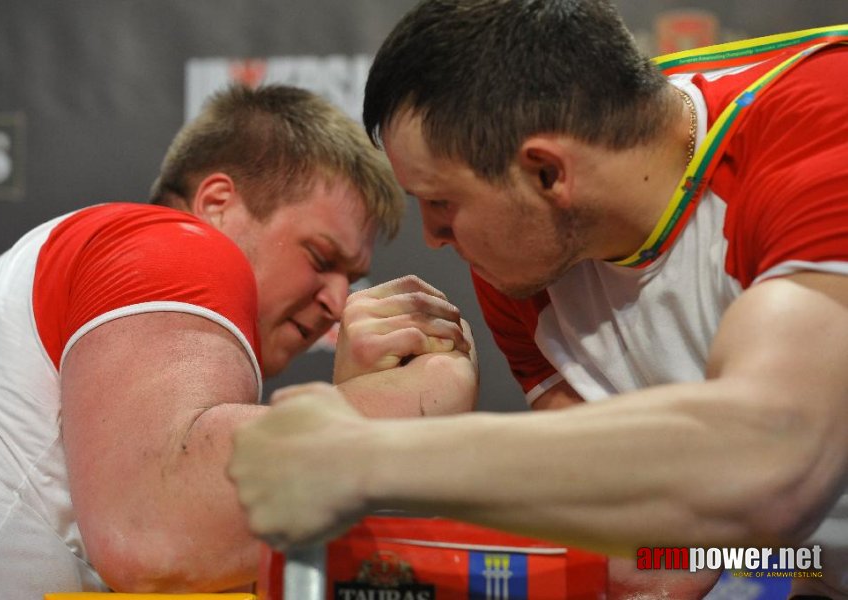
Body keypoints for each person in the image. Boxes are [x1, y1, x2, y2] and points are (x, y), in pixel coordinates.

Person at [227, 2, 848, 598]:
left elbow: (778, 455)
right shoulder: (527, 269)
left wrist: (363, 460)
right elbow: (657, 557)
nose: (433, 237)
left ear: (547, 174)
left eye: (442, 203)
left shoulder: (823, 127)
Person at [0, 83, 477, 597]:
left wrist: (345, 402)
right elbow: (157, 532)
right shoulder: (176, 243)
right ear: (218, 204)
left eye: (351, 275)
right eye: (320, 258)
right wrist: (421, 395)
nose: (338, 303)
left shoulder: (36, 283)